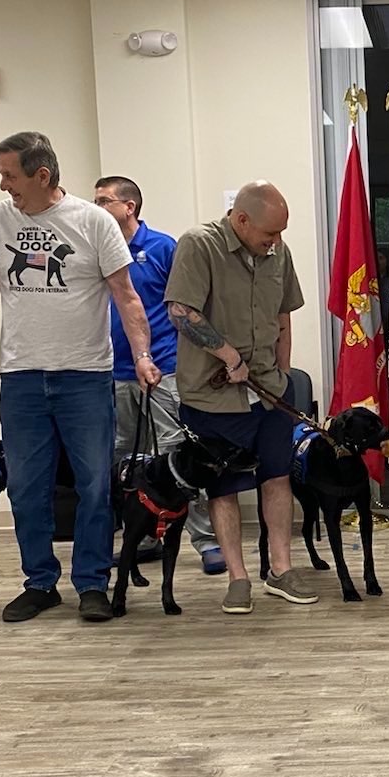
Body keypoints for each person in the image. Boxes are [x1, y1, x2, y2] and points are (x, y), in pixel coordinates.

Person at [0, 132, 161, 625]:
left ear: (42, 175)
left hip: (85, 378)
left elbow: (127, 296)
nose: (4, 184)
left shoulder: (93, 222)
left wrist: (142, 355)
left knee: (95, 485)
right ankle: (40, 583)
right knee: (28, 488)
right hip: (22, 378)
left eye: (10, 175)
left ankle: (92, 583)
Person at [164, 180, 316, 615]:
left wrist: (283, 374)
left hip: (268, 393)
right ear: (242, 219)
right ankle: (238, 577)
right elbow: (181, 311)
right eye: (269, 234)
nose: (276, 243)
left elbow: (283, 312)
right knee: (223, 486)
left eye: (280, 234)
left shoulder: (277, 252)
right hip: (212, 397)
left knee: (277, 476)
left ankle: (281, 570)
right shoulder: (199, 245)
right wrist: (227, 354)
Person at [93, 175, 223, 575]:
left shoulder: (162, 247)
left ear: (128, 207)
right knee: (129, 458)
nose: (94, 207)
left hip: (163, 369)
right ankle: (146, 535)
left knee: (175, 454)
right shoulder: (95, 248)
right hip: (114, 371)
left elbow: (185, 305)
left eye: (103, 201)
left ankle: (205, 541)